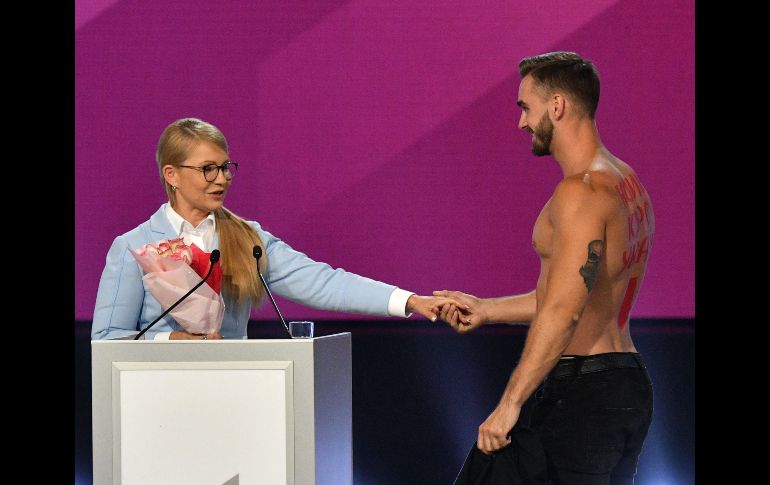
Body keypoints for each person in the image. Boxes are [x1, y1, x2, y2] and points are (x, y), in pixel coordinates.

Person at [436, 52, 655, 484]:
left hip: (585, 396)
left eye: (525, 107)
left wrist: (510, 404)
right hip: (624, 386)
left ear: (556, 106)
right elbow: (572, 293)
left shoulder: (581, 191)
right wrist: (486, 309)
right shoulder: (626, 182)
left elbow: (563, 312)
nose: (521, 122)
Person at [92, 117, 457, 341]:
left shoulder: (247, 239)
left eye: (225, 167)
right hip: (153, 401)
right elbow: (107, 338)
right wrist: (172, 340)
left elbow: (321, 281)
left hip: (233, 392)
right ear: (171, 175)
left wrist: (409, 301)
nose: (222, 179)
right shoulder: (132, 247)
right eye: (208, 169)